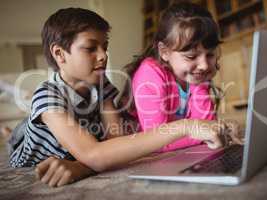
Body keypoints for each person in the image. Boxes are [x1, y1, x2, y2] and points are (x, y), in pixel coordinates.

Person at [0, 7, 242, 187]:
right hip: (33, 148)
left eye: (105, 46)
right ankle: (12, 135)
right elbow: (95, 155)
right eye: (91, 48)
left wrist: (81, 166)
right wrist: (186, 126)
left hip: (80, 140)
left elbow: (116, 142)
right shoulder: (47, 96)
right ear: (60, 54)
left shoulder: (102, 85)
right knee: (19, 138)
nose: (103, 55)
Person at [125, 2, 243, 152]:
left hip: (179, 151)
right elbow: (156, 141)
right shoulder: (150, 74)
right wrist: (209, 134)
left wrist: (221, 129)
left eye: (210, 54)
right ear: (164, 52)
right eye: (191, 56)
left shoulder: (195, 75)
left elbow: (205, 123)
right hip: (147, 157)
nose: (204, 65)